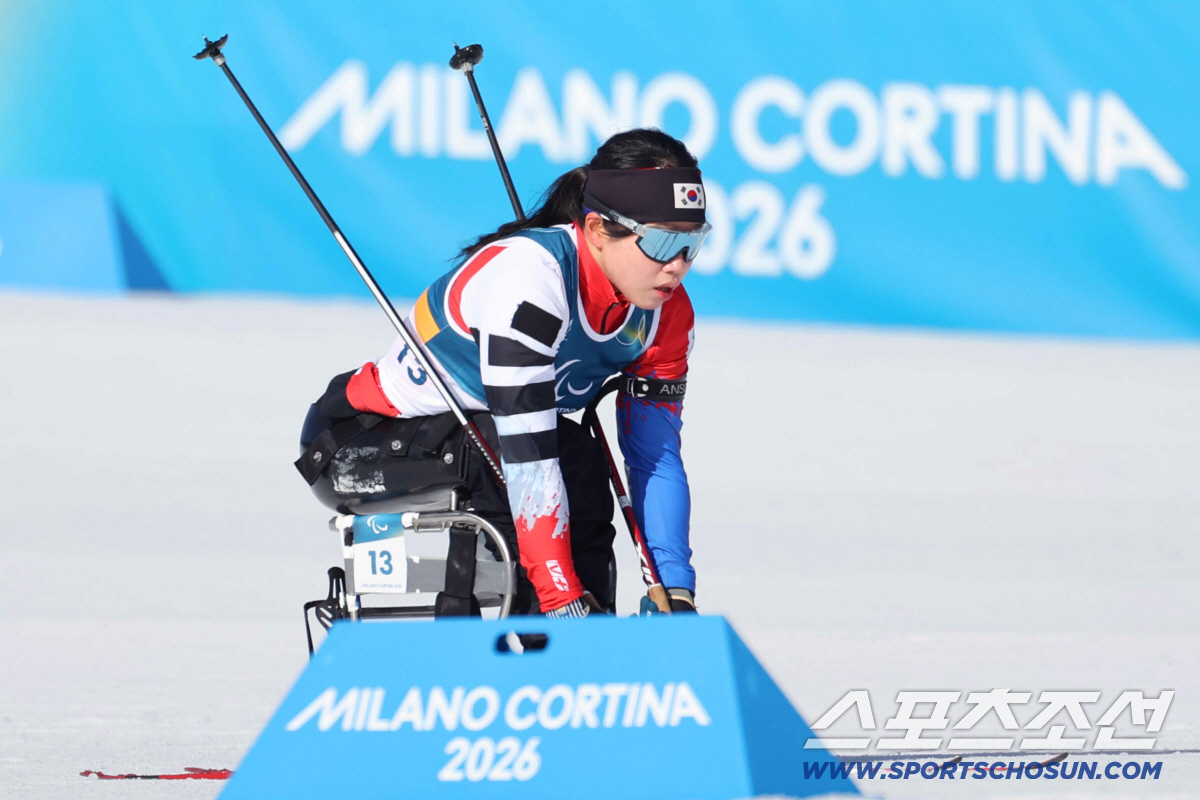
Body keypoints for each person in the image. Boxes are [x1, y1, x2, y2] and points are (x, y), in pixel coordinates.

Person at [296, 128, 708, 619]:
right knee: (532, 461)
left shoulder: (665, 314)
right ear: (598, 229)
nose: (678, 265)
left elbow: (655, 457)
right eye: (662, 241)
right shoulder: (529, 281)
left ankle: (586, 650)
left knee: (579, 462)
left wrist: (675, 588)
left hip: (477, 443)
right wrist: (560, 600)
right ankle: (518, 649)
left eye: (692, 243)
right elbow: (529, 459)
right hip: (356, 444)